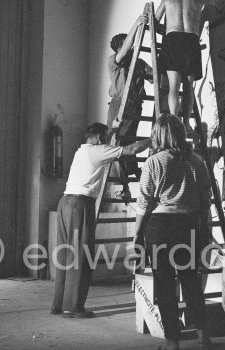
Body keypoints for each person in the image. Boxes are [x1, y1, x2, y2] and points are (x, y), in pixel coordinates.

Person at [51, 122, 151, 318]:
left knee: (65, 254)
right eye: (105, 137)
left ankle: (58, 305)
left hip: (65, 203)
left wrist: (113, 130)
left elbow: (109, 142)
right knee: (81, 255)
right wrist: (153, 139)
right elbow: (131, 149)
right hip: (80, 204)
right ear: (97, 138)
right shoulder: (98, 150)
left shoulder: (82, 151)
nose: (107, 141)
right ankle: (74, 307)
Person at [133, 113, 212, 350]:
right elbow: (205, 201)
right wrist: (206, 232)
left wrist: (137, 237)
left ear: (158, 135)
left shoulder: (154, 163)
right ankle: (203, 336)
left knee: (165, 285)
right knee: (190, 281)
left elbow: (144, 203)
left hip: (160, 226)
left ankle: (173, 343)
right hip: (188, 225)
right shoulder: (197, 161)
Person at [155, 0, 225, 133]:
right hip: (190, 42)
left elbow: (155, 20)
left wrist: (166, 30)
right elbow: (219, 0)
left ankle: (174, 121)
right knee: (189, 87)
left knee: (173, 86)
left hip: (173, 40)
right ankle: (185, 122)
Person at [107, 13, 153, 175]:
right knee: (118, 139)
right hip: (119, 103)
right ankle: (121, 174)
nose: (133, 48)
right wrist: (136, 25)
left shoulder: (139, 64)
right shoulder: (114, 60)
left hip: (134, 105)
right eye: (128, 45)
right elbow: (127, 47)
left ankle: (130, 169)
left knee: (129, 138)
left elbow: (155, 77)